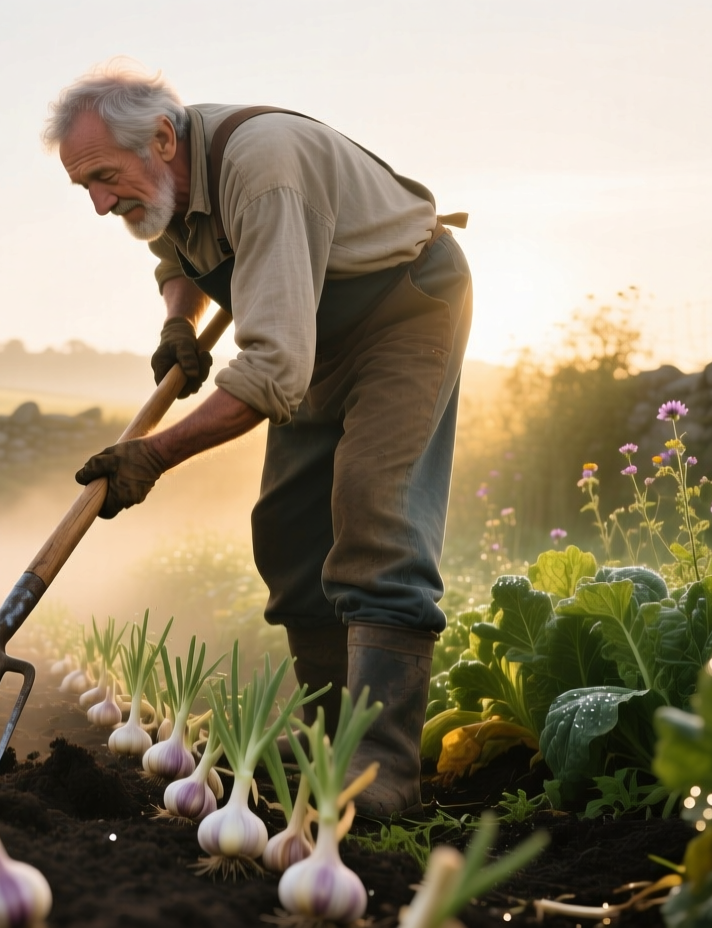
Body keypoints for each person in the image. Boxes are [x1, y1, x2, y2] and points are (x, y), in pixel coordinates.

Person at [44, 62, 473, 818]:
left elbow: (274, 368)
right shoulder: (170, 171)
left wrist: (154, 454)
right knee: (287, 527)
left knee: (373, 505)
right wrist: (178, 320)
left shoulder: (263, 168)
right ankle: (324, 737)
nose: (100, 202)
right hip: (314, 330)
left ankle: (381, 769)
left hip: (401, 310)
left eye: (106, 178)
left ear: (162, 138)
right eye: (86, 188)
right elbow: (173, 250)